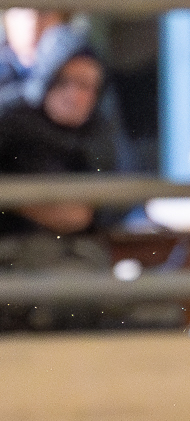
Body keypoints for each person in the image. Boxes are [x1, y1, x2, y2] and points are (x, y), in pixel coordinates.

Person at [0, 27, 119, 330]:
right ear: (46, 78)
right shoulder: (9, 120)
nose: (75, 95)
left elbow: (91, 211)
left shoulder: (99, 135)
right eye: (65, 81)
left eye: (87, 86)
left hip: (76, 258)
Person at [0, 0, 71, 110]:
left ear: (62, 19)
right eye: (21, 11)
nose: (32, 24)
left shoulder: (82, 71)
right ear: (6, 18)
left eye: (43, 12)